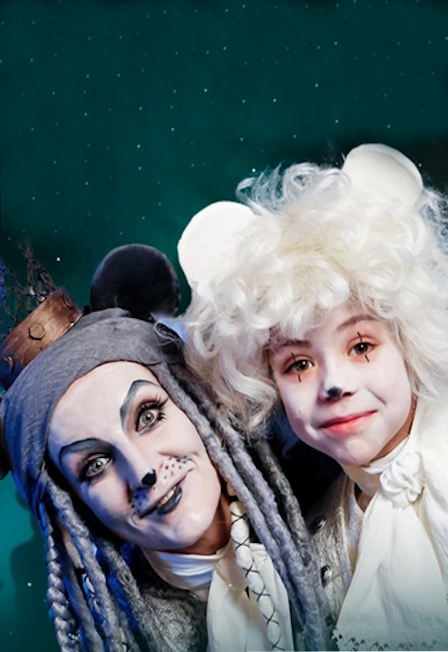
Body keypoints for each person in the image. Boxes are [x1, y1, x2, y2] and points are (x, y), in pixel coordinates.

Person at [181, 144, 448, 650]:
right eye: (298, 364)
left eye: (361, 346)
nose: (333, 384)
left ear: (411, 342)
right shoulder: (314, 532)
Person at [0, 245, 332, 652]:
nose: (142, 470)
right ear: (78, 506)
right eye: (96, 464)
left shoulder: (340, 495)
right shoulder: (134, 639)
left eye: (148, 416)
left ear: (197, 406)